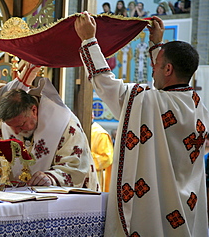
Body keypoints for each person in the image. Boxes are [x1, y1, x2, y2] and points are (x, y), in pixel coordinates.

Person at [75, 13, 209, 236]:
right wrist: (158, 45)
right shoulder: (198, 107)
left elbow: (107, 86)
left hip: (156, 210)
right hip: (186, 211)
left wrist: (89, 40)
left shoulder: (149, 102)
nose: (152, 69)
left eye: (155, 64)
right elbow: (171, 79)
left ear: (167, 69)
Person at [0, 77, 99, 190]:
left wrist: (51, 178)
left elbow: (75, 167)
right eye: (11, 127)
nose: (16, 132)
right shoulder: (5, 125)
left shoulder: (65, 124)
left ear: (34, 110)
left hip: (58, 198)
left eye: (21, 125)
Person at [91, 113, 113, 192]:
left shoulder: (100, 133)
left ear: (92, 116)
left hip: (95, 177)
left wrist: (87, 157)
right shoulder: (78, 130)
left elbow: (107, 158)